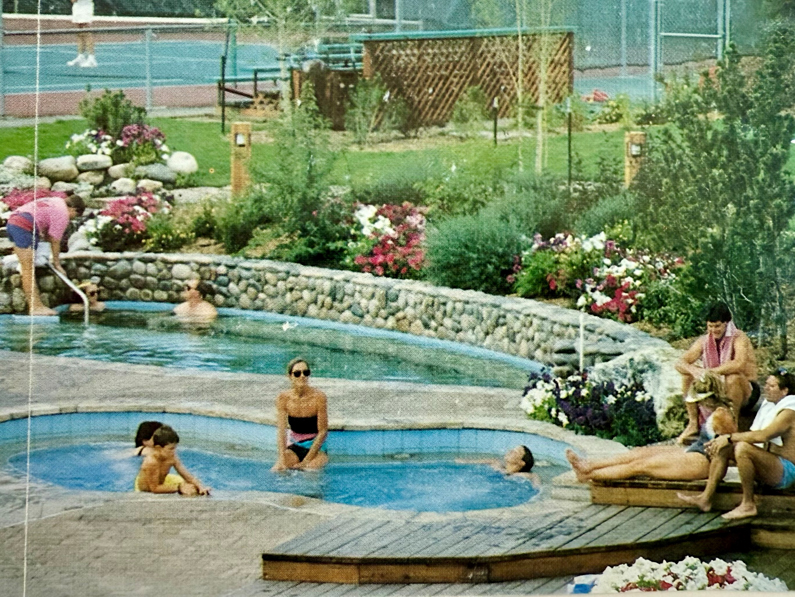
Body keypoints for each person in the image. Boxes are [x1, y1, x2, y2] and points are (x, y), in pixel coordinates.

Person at [677, 369, 795, 520]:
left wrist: (729, 437)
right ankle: (705, 498)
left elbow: (763, 435)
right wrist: (721, 441)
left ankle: (748, 504)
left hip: (787, 471)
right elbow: (752, 436)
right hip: (770, 464)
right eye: (766, 384)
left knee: (742, 447)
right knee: (723, 446)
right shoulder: (770, 405)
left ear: (785, 391)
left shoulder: (789, 411)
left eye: (772, 386)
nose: (766, 388)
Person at [566, 405, 737, 483]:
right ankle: (588, 465)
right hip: (694, 451)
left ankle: (589, 475)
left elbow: (730, 446)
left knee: (640, 466)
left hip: (704, 462)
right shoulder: (718, 409)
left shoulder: (724, 416)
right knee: (639, 453)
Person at [674, 302, 758, 442]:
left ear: (726, 323)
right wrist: (694, 370)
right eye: (710, 326)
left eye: (717, 326)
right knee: (687, 376)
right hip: (719, 386)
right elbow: (680, 363)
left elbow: (739, 363)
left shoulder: (739, 337)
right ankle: (693, 424)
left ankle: (732, 425)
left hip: (746, 390)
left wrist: (710, 372)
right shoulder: (705, 340)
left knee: (733, 377)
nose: (714, 330)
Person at [6, 193, 85, 316]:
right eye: (75, 216)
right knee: (28, 269)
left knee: (26, 267)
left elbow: (47, 232)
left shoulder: (56, 201)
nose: (71, 219)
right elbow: (55, 240)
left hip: (14, 222)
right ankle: (35, 307)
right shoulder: (63, 213)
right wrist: (57, 264)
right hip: (24, 226)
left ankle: (36, 306)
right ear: (74, 209)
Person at [272, 358, 329, 471]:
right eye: (297, 373)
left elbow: (323, 432)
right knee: (278, 469)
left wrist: (306, 461)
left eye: (305, 372)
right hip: (295, 445)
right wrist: (282, 459)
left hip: (316, 449)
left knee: (310, 471)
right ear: (290, 376)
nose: (302, 376)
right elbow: (282, 432)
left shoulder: (319, 397)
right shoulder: (283, 398)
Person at [134, 425, 210, 496]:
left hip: (163, 481)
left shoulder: (171, 456)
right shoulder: (151, 462)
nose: (174, 451)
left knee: (192, 488)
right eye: (171, 449)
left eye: (175, 448)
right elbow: (154, 489)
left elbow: (186, 475)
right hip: (148, 488)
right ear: (158, 448)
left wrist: (200, 487)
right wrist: (179, 488)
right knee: (185, 489)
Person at [67, 0, 97, 67]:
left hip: (85, 7)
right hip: (77, 7)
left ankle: (91, 58)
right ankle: (81, 56)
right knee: (79, 32)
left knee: (87, 32)